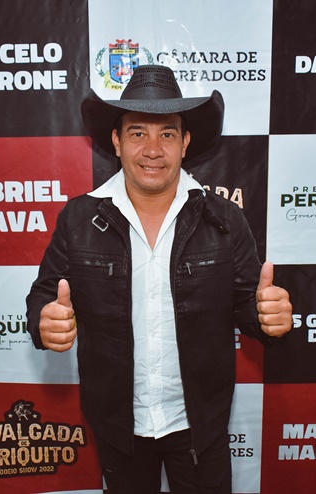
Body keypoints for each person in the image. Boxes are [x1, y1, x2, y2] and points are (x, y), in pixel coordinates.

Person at [26, 65, 292, 494]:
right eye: (137, 133)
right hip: (119, 425)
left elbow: (248, 303)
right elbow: (45, 293)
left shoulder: (224, 219)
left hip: (199, 425)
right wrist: (44, 319)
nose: (152, 149)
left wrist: (267, 318)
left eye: (167, 133)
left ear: (185, 142)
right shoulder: (78, 218)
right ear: (116, 140)